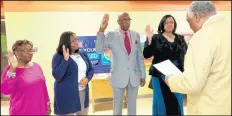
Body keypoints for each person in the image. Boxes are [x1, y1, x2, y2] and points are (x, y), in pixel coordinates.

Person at [165, 1, 231, 115]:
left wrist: (170, 80)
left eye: (188, 21)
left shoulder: (202, 36)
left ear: (196, 17)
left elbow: (192, 83)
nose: (190, 26)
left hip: (210, 107)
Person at [96, 12, 146, 115]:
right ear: (118, 22)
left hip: (134, 76)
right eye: (122, 19)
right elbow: (99, 49)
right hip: (118, 76)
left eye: (127, 19)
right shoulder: (111, 34)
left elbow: (139, 57)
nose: (125, 21)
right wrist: (101, 30)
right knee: (117, 108)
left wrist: (143, 74)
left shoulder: (136, 35)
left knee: (132, 107)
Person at [143, 15, 188, 115]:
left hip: (176, 76)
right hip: (160, 76)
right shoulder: (156, 37)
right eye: (166, 22)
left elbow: (186, 55)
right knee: (162, 103)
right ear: (162, 24)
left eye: (171, 22)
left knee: (177, 100)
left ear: (174, 24)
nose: (169, 24)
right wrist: (149, 39)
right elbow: (146, 54)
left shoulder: (180, 38)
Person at [1, 40, 51, 115]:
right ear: (16, 52)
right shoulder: (10, 69)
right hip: (21, 112)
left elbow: (43, 88)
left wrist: (47, 104)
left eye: (31, 50)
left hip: (40, 111)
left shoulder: (37, 66)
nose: (30, 53)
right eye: (26, 50)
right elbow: (5, 90)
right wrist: (13, 69)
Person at [52, 31, 94, 115]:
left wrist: (87, 78)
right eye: (73, 41)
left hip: (82, 92)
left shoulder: (82, 53)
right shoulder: (58, 56)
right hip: (66, 95)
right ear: (65, 43)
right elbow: (57, 76)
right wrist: (66, 60)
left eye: (76, 40)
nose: (76, 42)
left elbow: (91, 70)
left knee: (83, 113)